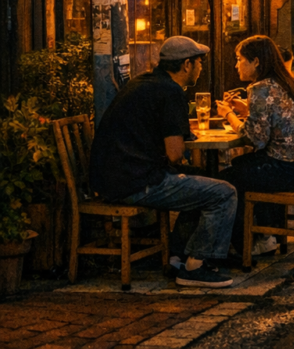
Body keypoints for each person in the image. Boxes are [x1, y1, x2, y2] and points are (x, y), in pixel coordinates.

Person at [89, 36, 237, 288]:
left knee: (200, 181)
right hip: (136, 183)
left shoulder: (144, 82)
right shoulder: (171, 92)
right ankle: (196, 266)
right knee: (224, 192)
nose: (201, 68)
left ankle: (178, 256)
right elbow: (175, 154)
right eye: (199, 63)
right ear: (187, 65)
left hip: (111, 178)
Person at [216, 35, 294, 256]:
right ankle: (264, 238)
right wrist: (247, 109)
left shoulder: (260, 88)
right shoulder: (292, 83)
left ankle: (244, 245)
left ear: (256, 62)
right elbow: (277, 117)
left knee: (226, 182)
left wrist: (229, 115)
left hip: (285, 171)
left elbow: (255, 139)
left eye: (239, 59)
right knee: (242, 166)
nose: (236, 65)